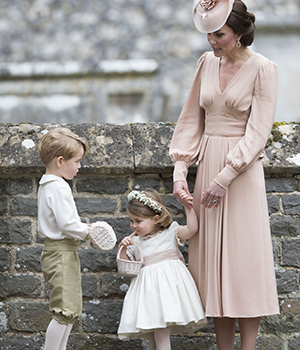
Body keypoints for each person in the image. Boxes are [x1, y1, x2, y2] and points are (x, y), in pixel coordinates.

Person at [169, 1, 279, 349]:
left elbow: (258, 131)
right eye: (209, 34)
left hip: (241, 174)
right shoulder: (205, 63)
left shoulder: (264, 68)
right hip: (208, 167)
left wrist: (225, 176)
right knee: (211, 265)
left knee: (243, 263)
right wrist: (180, 168)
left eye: (219, 34)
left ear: (240, 32)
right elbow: (190, 120)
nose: (212, 41)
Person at [117, 189, 208, 350]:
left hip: (168, 291)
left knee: (161, 333)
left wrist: (188, 208)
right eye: (131, 221)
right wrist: (124, 248)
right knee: (153, 334)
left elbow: (192, 229)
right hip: (147, 293)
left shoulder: (170, 232)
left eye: (138, 221)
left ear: (155, 219)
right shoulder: (136, 241)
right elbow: (126, 267)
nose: (133, 225)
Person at [38, 127, 89, 350]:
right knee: (64, 312)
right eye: (77, 161)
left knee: (69, 310)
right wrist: (89, 230)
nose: (79, 166)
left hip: (61, 252)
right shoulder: (58, 187)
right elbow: (68, 224)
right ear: (60, 161)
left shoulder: (48, 184)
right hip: (61, 253)